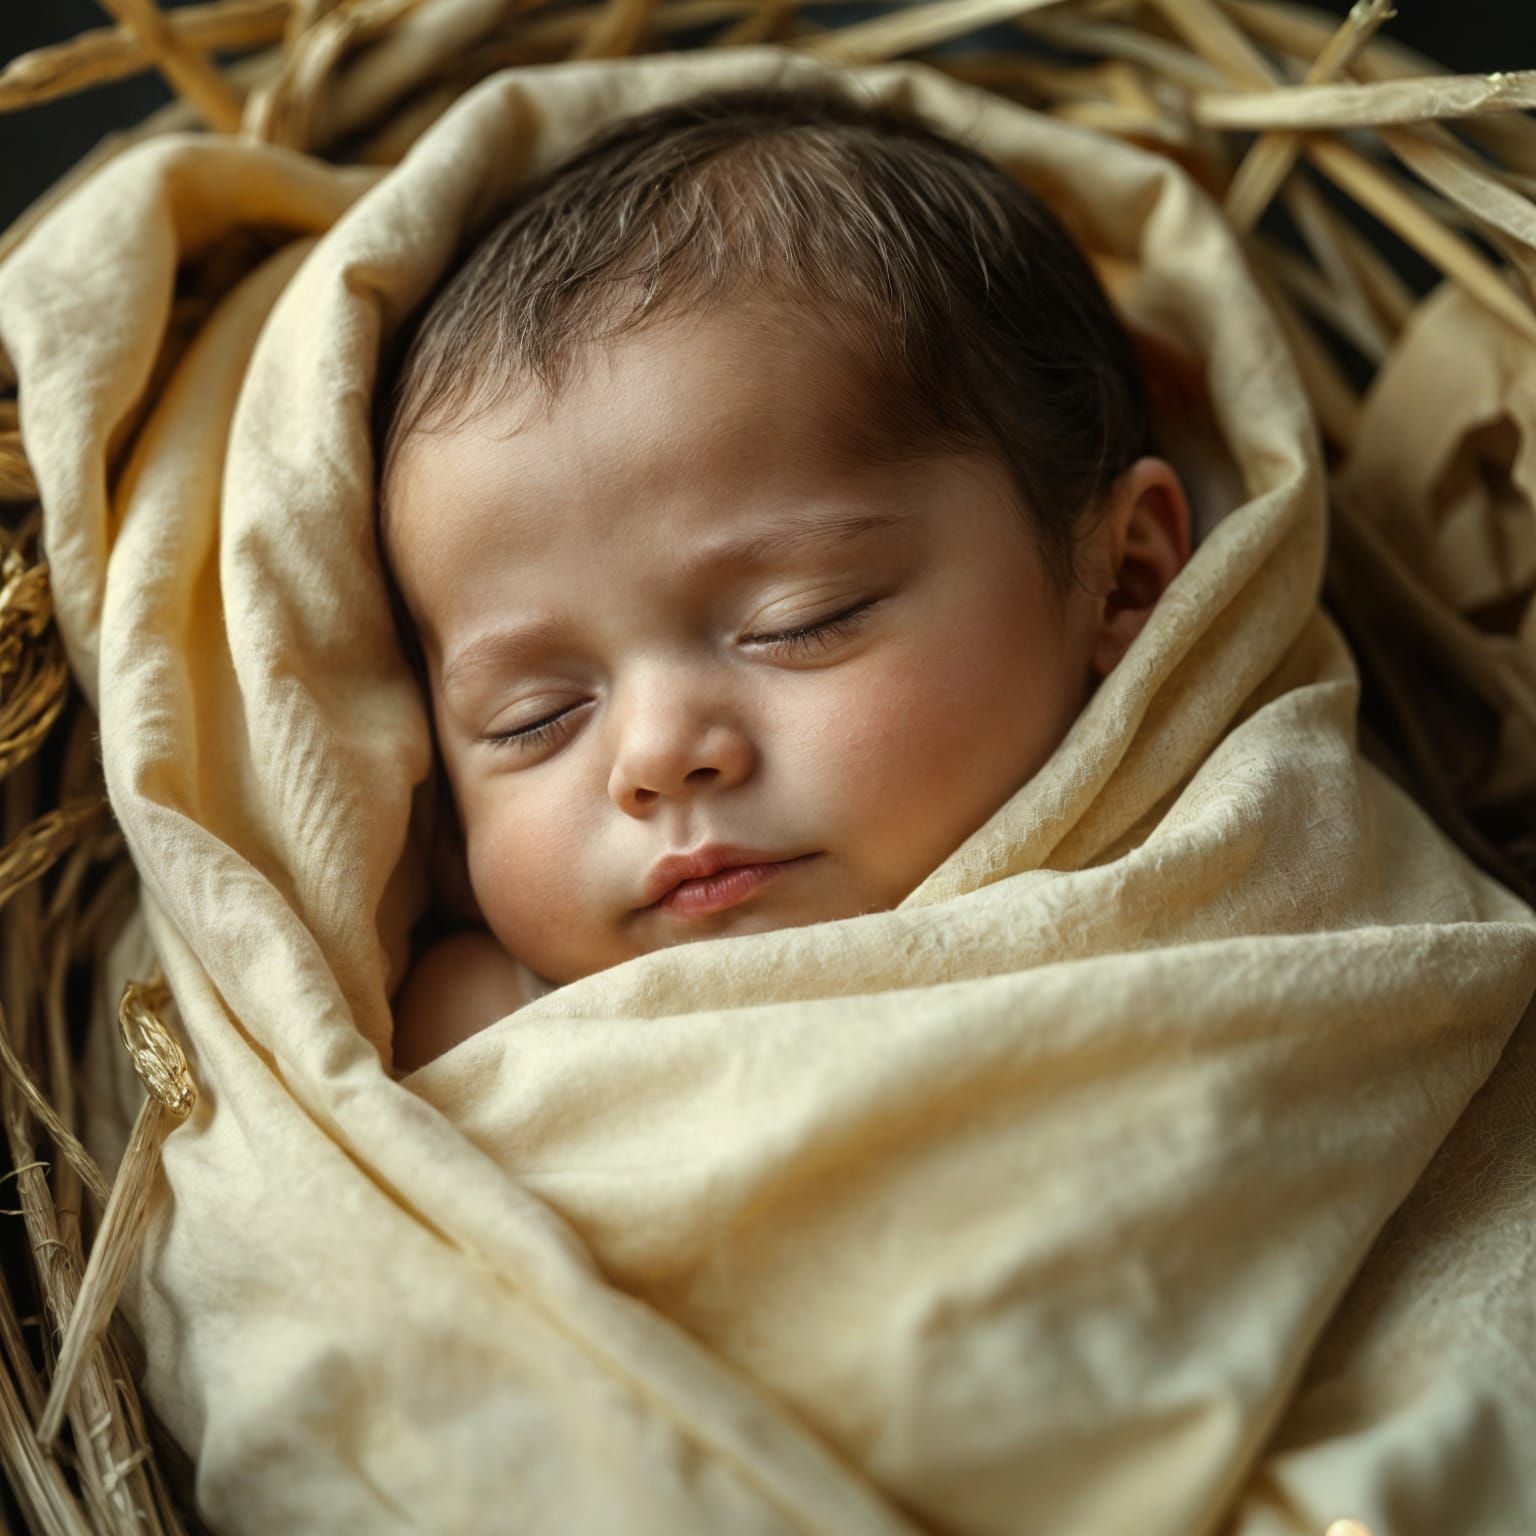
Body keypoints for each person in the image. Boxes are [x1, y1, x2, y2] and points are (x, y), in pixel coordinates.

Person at [373, 80, 1192, 1075]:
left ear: (1126, 579)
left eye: (801, 621)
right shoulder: (480, 1034)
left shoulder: (1238, 871)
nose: (660, 753)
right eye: (531, 717)